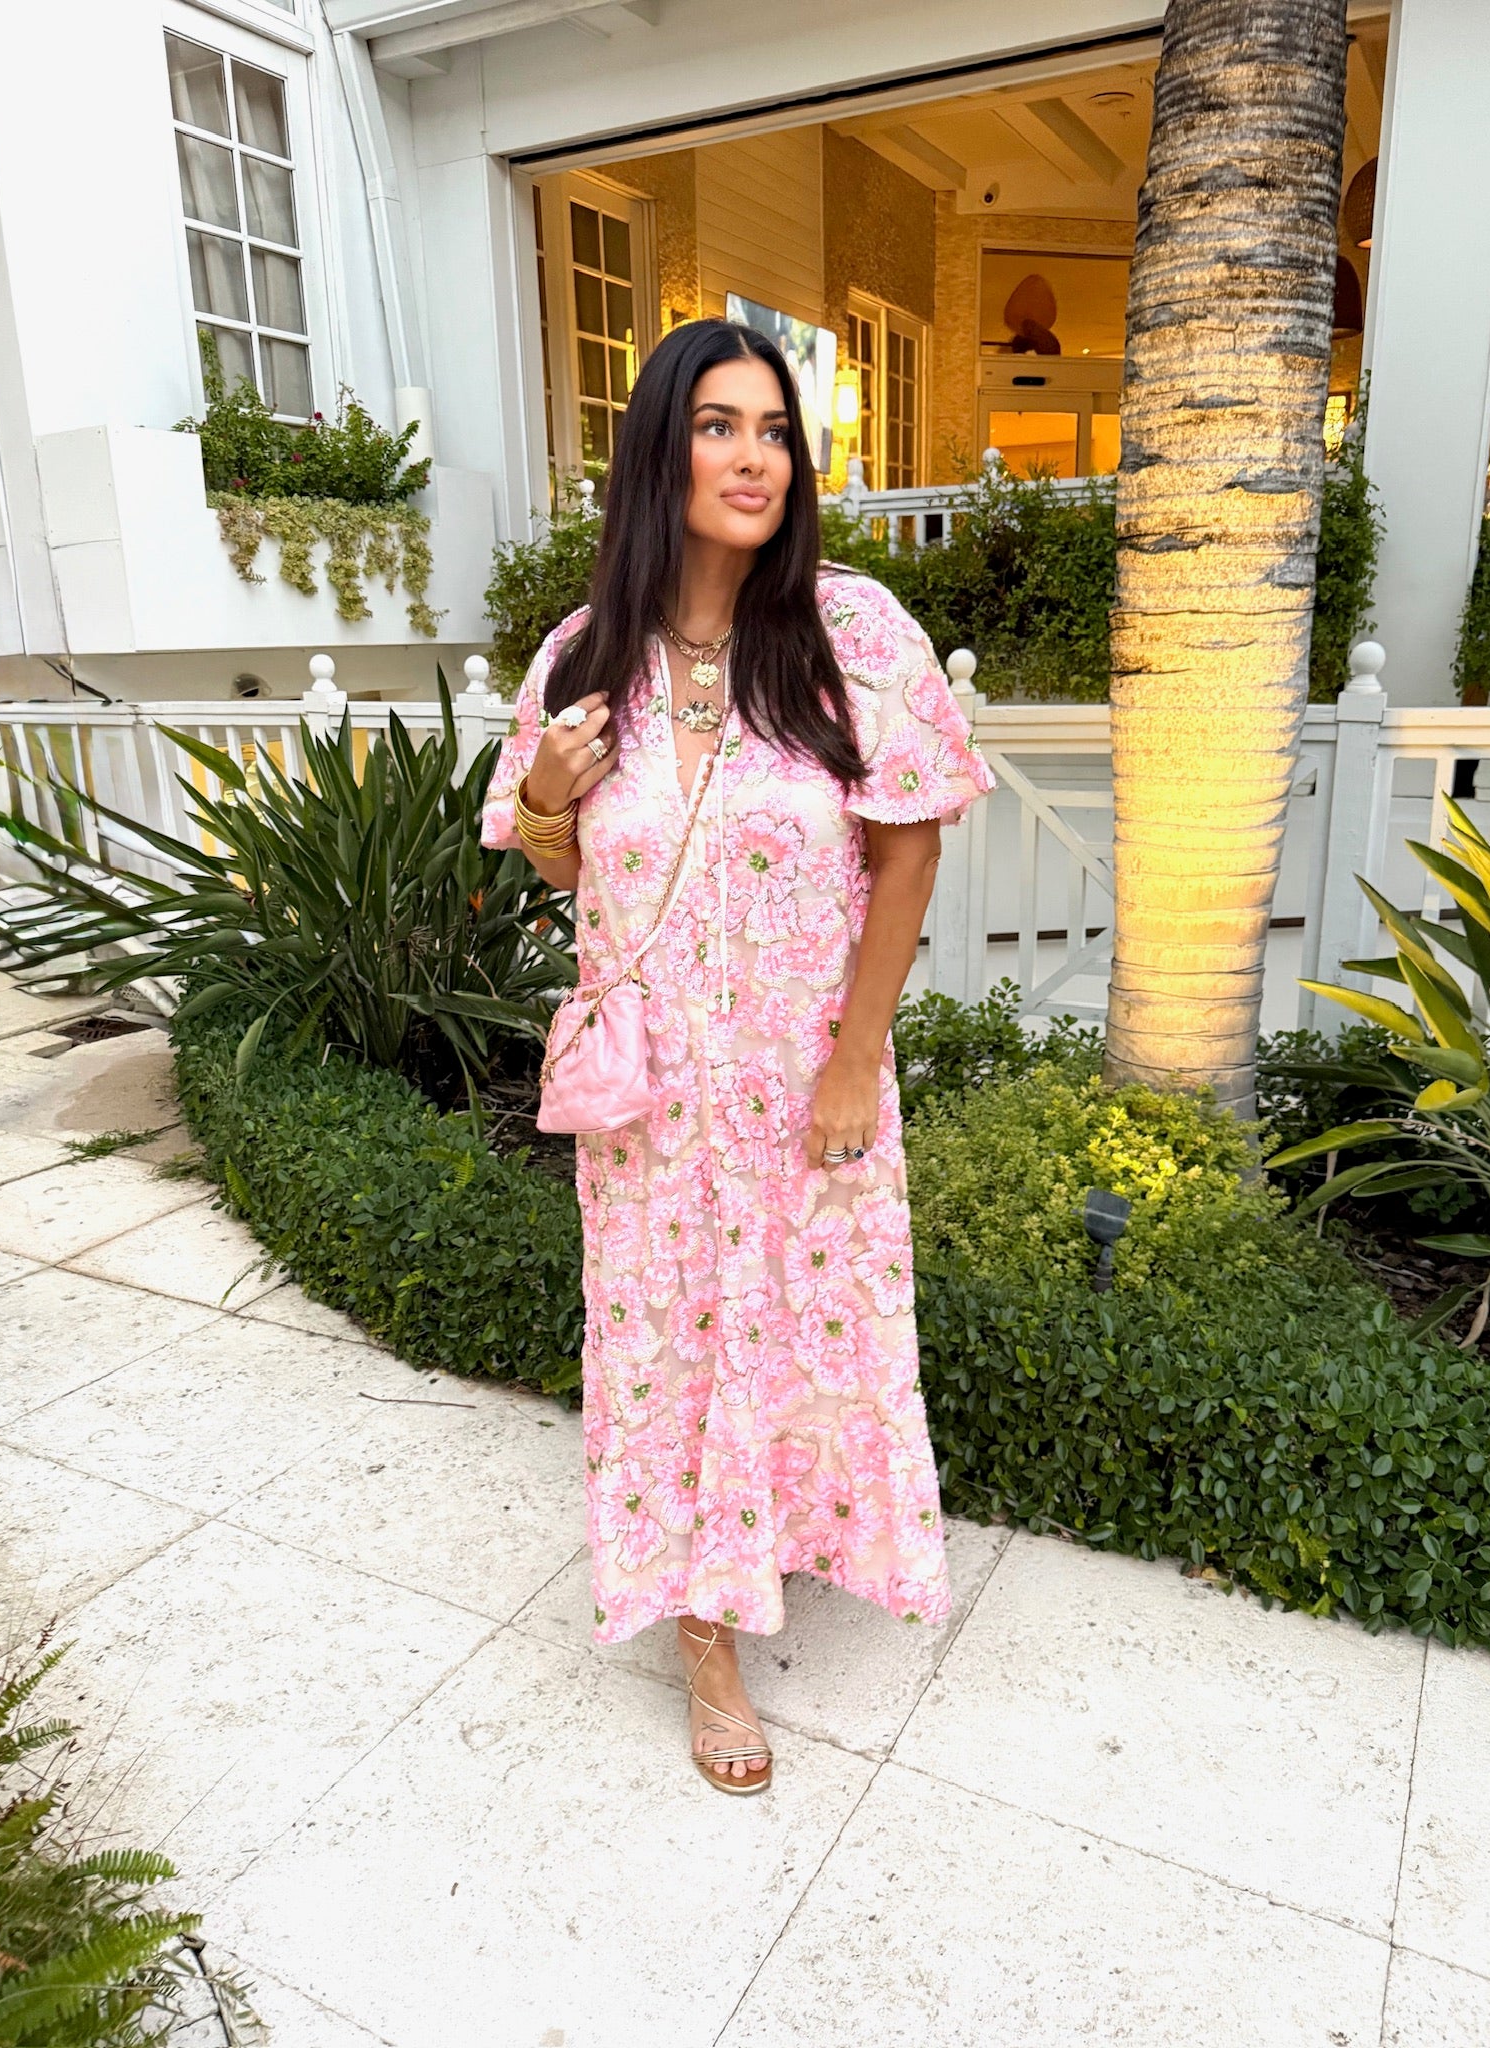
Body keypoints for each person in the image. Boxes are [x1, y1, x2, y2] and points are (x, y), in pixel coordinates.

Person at [480, 318, 994, 1795]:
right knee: (668, 1351)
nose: (754, 457)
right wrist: (549, 790)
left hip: (804, 1081)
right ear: (662, 450)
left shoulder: (854, 636)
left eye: (774, 430)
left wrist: (854, 1063)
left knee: (804, 1336)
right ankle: (704, 1638)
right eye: (719, 426)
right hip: (651, 1104)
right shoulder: (582, 657)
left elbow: (907, 859)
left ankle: (772, 1550)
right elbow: (567, 871)